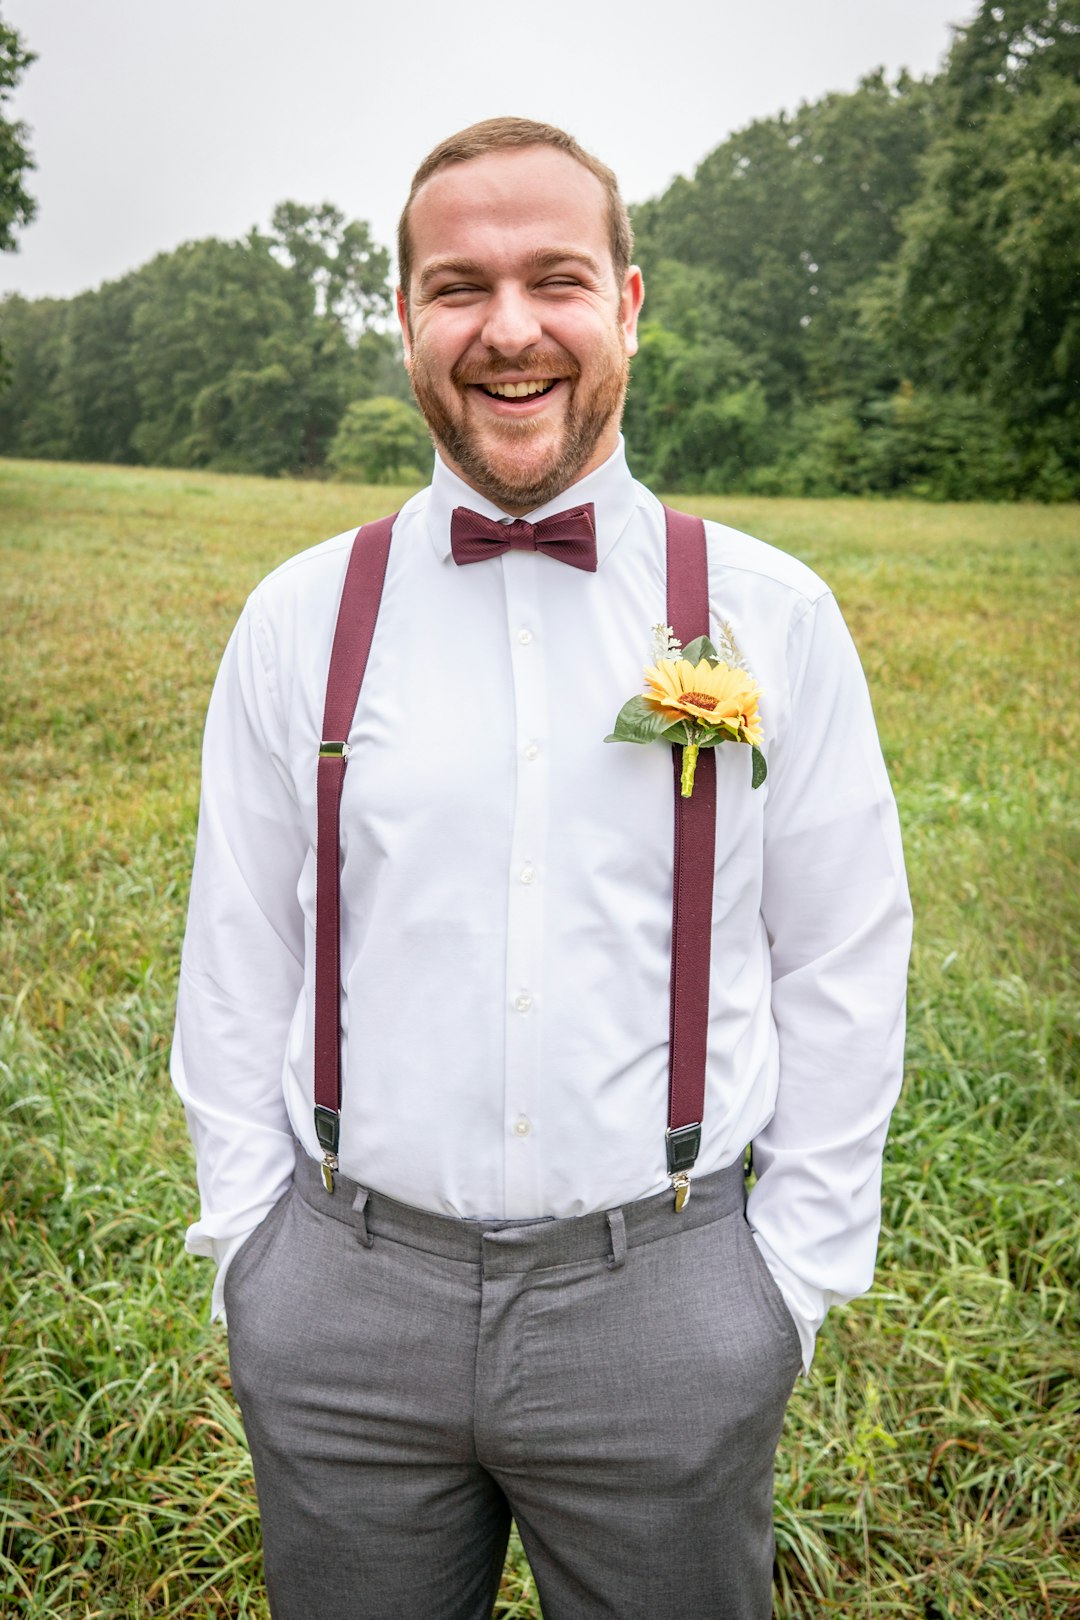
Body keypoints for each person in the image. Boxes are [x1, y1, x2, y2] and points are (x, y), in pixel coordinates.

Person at [171, 117, 912, 1620]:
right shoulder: (300, 619)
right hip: (341, 1307)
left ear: (627, 303)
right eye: (458, 287)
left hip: (673, 1303)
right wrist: (256, 1259)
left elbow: (843, 952)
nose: (509, 330)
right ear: (405, 321)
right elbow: (242, 951)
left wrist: (787, 1283)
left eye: (555, 279)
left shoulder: (771, 615)